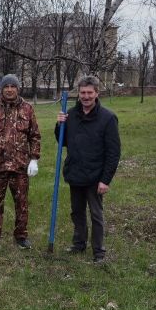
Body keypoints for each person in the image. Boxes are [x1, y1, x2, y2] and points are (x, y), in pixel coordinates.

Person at [56, 75, 120, 262]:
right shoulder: (71, 115)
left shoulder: (108, 118)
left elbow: (113, 152)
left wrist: (105, 180)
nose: (85, 96)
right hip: (75, 173)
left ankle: (99, 252)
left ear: (97, 93)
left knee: (96, 214)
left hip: (95, 176)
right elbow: (63, 141)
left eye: (89, 93)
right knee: (77, 213)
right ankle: (79, 244)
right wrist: (59, 125)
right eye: (82, 92)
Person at [0, 74, 41, 250]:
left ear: (18, 88)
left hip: (21, 165)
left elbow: (34, 136)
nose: (9, 89)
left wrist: (34, 159)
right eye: (6, 86)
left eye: (13, 86)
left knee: (21, 203)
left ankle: (21, 236)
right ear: (2, 89)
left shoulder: (27, 109)